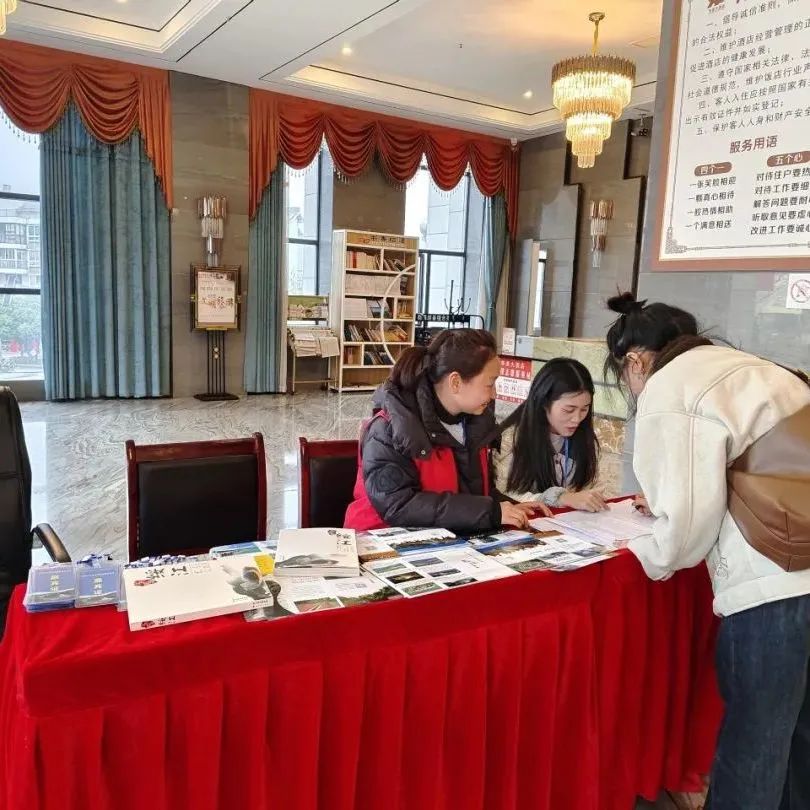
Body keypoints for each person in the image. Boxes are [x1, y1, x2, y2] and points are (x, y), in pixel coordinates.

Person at [604, 291, 810, 810]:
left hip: (771, 584)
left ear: (635, 361)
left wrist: (648, 551)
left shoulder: (671, 386)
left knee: (754, 744)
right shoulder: (755, 367)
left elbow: (687, 526)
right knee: (800, 739)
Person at [344, 329, 538, 533]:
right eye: (490, 384)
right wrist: (491, 511)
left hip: (446, 540)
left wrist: (510, 507)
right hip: (382, 539)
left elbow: (473, 494)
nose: (494, 394)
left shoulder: (475, 424)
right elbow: (398, 505)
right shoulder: (390, 428)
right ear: (455, 382)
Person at [493, 357, 607, 512]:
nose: (577, 419)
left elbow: (594, 486)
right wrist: (560, 498)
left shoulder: (584, 437)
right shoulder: (512, 438)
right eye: (569, 410)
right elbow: (505, 494)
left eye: (584, 409)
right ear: (544, 403)